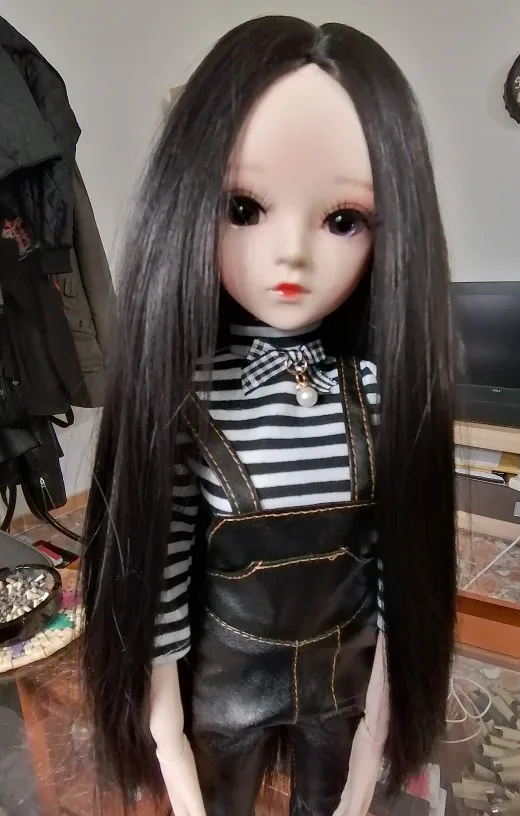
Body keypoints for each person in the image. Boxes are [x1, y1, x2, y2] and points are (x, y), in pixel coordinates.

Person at [81, 16, 457, 816]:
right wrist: (167, 743)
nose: (292, 253)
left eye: (343, 219)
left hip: (343, 681)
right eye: (244, 207)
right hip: (228, 685)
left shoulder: (377, 389)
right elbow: (161, 582)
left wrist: (375, 747)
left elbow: (399, 576)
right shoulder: (189, 395)